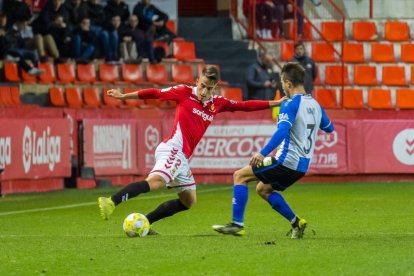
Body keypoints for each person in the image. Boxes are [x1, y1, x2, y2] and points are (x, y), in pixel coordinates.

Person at [98, 65, 287, 233]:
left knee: (188, 201)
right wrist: (124, 95)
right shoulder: (184, 92)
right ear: (197, 81)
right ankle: (112, 202)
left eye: (209, 88)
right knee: (155, 182)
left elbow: (244, 106)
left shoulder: (217, 103)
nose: (204, 91)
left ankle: (146, 221)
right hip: (173, 149)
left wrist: (275, 103)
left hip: (182, 157)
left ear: (215, 88)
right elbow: (156, 93)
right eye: (202, 85)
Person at [213, 62, 334, 239]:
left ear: (288, 83)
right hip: (302, 166)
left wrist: (262, 152)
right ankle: (296, 223)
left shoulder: (290, 104)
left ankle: (236, 224)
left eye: (282, 83)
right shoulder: (316, 105)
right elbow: (329, 128)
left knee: (239, 176)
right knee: (263, 189)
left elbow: (282, 131)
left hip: (285, 160)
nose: (282, 87)